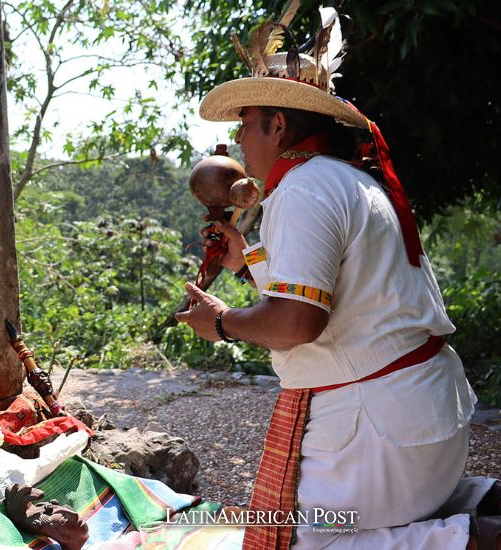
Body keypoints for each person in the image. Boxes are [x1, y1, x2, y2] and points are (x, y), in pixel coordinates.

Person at [174, 4, 500, 549]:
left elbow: (299, 321)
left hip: (387, 433)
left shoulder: (301, 189)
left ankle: (474, 535)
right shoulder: (345, 179)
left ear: (278, 126)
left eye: (247, 126)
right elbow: (337, 294)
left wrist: (224, 324)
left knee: (304, 539)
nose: (239, 142)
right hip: (425, 421)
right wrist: (245, 259)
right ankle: (472, 500)